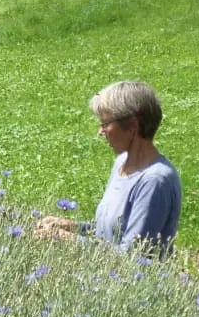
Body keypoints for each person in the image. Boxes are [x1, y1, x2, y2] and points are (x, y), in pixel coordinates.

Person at [36, 80, 182, 254]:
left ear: (133, 125)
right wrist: (72, 227)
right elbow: (110, 234)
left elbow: (132, 258)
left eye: (105, 124)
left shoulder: (154, 181)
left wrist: (67, 239)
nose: (100, 131)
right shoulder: (121, 163)